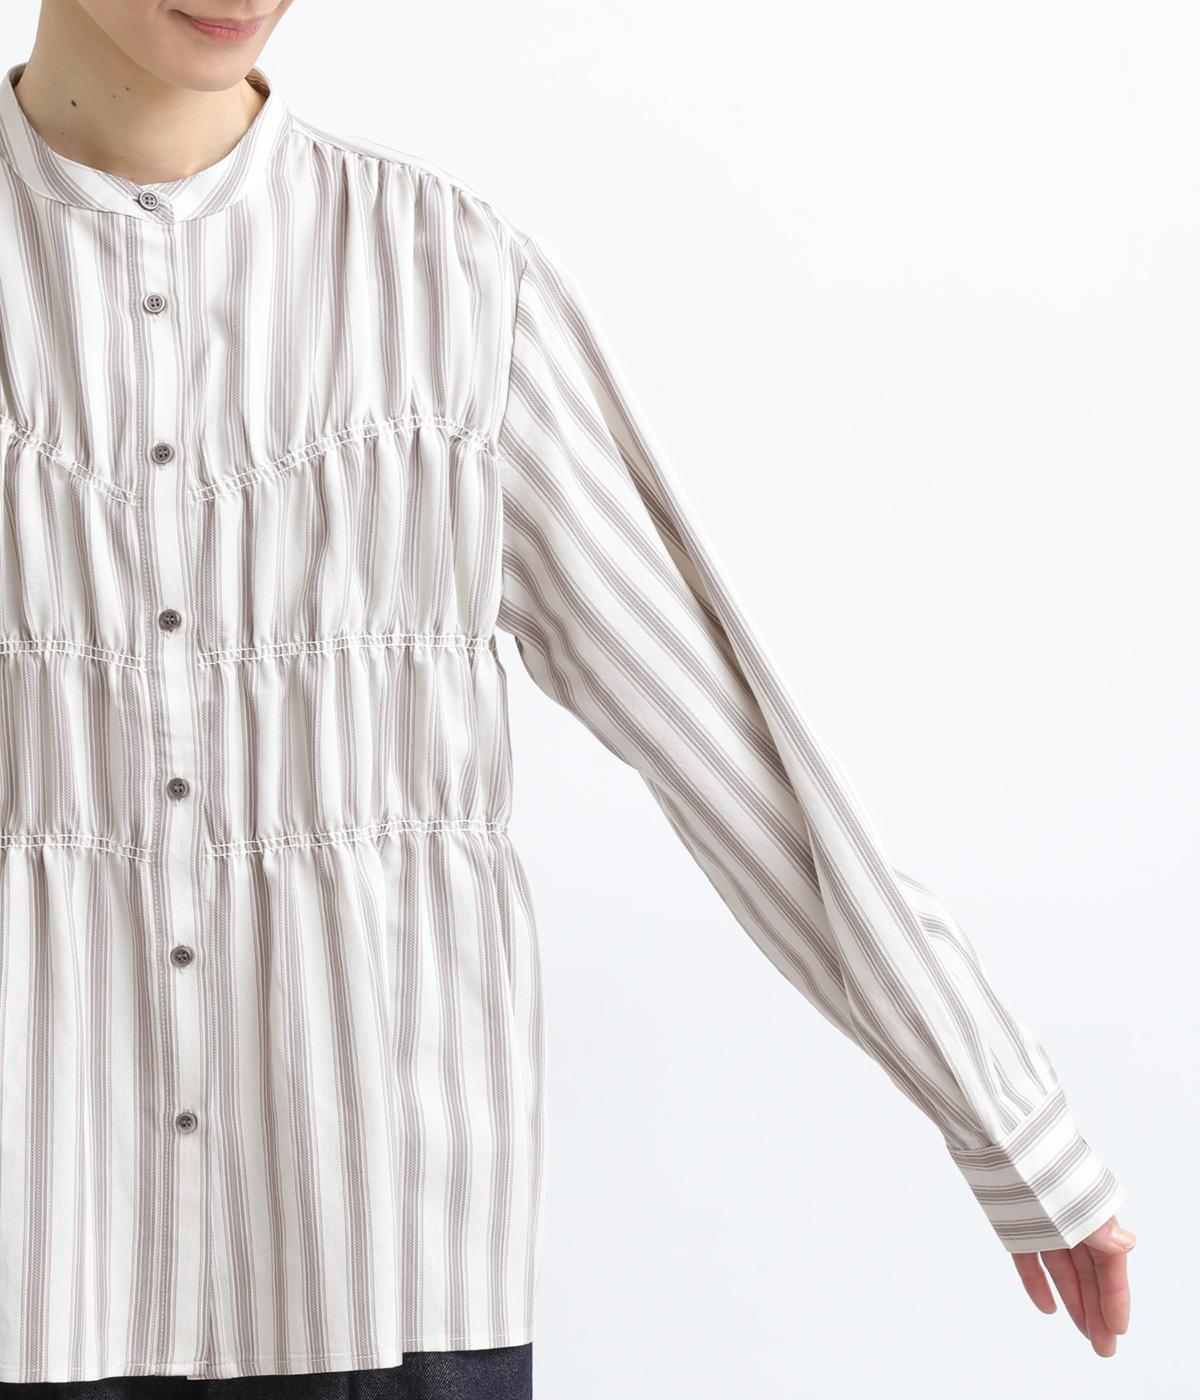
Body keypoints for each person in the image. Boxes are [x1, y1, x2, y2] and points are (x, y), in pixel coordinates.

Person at [0, 1, 1134, 1397]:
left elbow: (722, 737)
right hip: (31, 1255)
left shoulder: (448, 286)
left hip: (384, 1263)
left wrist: (1004, 1114)